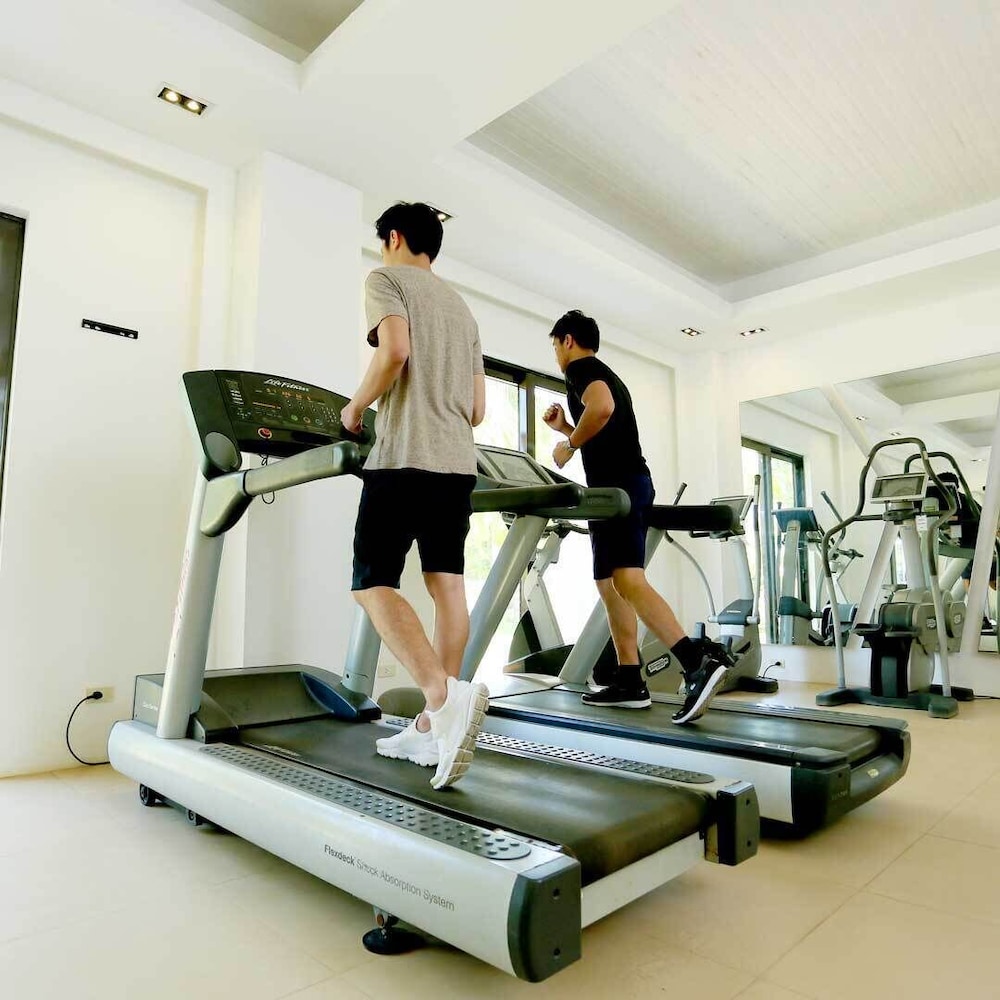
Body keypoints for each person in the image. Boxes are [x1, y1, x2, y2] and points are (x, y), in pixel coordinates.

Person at [340, 202, 488, 789]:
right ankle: (434, 726)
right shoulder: (461, 308)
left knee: (371, 583)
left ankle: (442, 698)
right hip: (457, 465)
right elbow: (478, 409)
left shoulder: (385, 279)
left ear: (394, 237)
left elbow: (394, 352)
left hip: (405, 457)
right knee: (446, 586)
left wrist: (356, 406)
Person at [543, 310, 733, 725]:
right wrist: (566, 428)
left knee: (628, 580)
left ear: (568, 340)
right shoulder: (604, 373)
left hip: (620, 488)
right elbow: (605, 428)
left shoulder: (582, 369)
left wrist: (568, 446)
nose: (555, 354)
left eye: (555, 345)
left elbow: (602, 408)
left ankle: (696, 662)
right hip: (613, 489)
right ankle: (629, 678)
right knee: (608, 582)